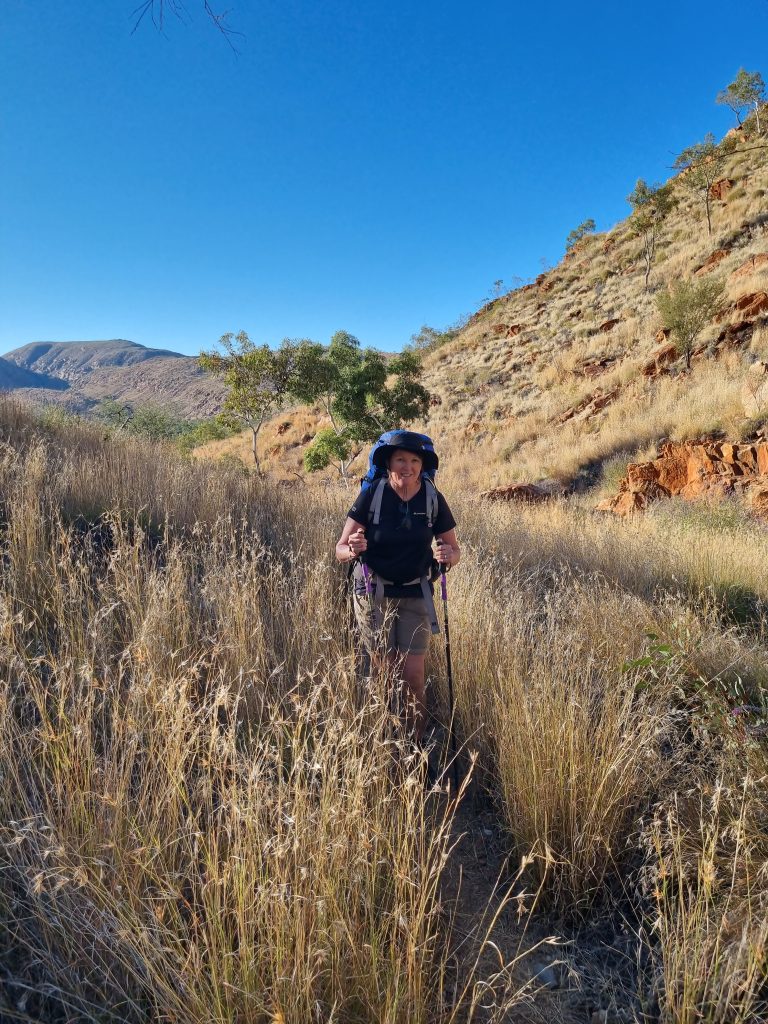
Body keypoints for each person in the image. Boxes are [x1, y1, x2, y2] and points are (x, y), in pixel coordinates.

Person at [335, 434, 460, 741]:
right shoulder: (372, 495)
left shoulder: (432, 498)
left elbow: (454, 550)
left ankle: (414, 742)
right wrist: (352, 549)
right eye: (401, 459)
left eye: (415, 461)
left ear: (423, 466)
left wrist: (448, 556)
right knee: (387, 674)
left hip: (416, 594)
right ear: (388, 462)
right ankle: (386, 737)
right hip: (374, 593)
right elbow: (339, 549)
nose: (408, 467)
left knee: (414, 676)